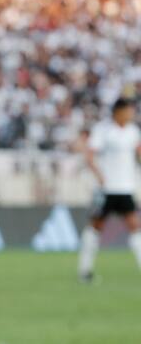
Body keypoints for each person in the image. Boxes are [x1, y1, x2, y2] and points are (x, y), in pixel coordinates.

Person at [78, 97, 141, 283]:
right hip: (106, 190)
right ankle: (85, 270)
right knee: (95, 227)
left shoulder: (133, 131)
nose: (131, 114)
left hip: (125, 188)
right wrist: (99, 176)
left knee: (135, 227)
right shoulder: (103, 130)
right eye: (128, 110)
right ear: (118, 111)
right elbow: (90, 156)